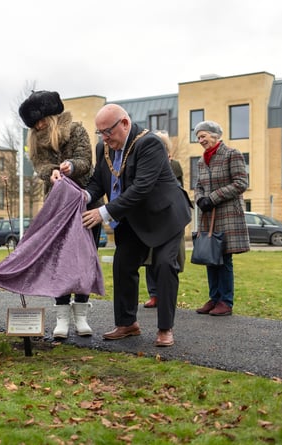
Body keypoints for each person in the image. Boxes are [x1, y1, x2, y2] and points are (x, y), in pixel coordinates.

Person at [82, 104, 191, 347]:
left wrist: (103, 212)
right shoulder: (104, 148)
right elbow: (98, 182)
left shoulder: (149, 144)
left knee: (164, 266)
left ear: (124, 123)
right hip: (131, 218)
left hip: (164, 216)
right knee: (122, 266)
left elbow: (141, 188)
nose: (104, 138)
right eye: (99, 132)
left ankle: (165, 329)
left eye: (108, 131)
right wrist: (82, 197)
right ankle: (127, 324)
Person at [18, 90, 101, 339]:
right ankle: (62, 316)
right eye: (35, 124)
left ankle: (82, 314)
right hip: (56, 205)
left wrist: (71, 166)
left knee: (84, 257)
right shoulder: (36, 141)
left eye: (42, 120)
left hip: (85, 201)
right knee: (59, 260)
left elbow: (85, 160)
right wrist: (52, 172)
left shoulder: (76, 130)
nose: (39, 126)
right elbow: (41, 165)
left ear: (52, 116)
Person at [193, 121, 250, 316]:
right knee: (210, 256)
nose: (200, 140)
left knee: (224, 258)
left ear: (215, 135)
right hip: (208, 215)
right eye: (198, 137)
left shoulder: (232, 154)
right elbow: (198, 185)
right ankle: (214, 298)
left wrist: (213, 197)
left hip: (227, 214)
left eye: (203, 136)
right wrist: (200, 199)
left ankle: (226, 301)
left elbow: (241, 182)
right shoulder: (201, 161)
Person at [143, 130, 187, 309]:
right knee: (149, 259)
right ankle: (153, 294)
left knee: (168, 260)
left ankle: (166, 295)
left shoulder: (174, 165)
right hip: (150, 218)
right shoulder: (145, 164)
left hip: (170, 218)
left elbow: (176, 190)